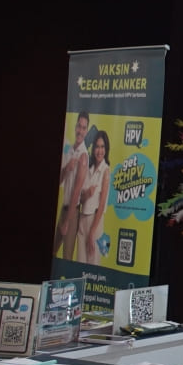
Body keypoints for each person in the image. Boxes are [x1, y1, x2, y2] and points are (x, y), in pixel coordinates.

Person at [55, 112, 91, 261]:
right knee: (53, 252)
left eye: (83, 128)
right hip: (63, 209)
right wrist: (66, 169)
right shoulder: (69, 150)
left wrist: (67, 222)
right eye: (79, 126)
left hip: (72, 213)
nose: (80, 131)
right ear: (75, 127)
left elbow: (76, 192)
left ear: (86, 131)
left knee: (66, 258)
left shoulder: (83, 155)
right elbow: (60, 181)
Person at [77, 128, 111, 265]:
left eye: (102, 147)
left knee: (93, 262)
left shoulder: (106, 171)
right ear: (93, 148)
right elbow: (80, 199)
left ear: (106, 149)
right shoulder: (88, 169)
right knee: (80, 262)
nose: (99, 151)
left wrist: (92, 233)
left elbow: (101, 206)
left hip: (95, 222)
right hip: (82, 219)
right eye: (97, 146)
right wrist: (86, 194)